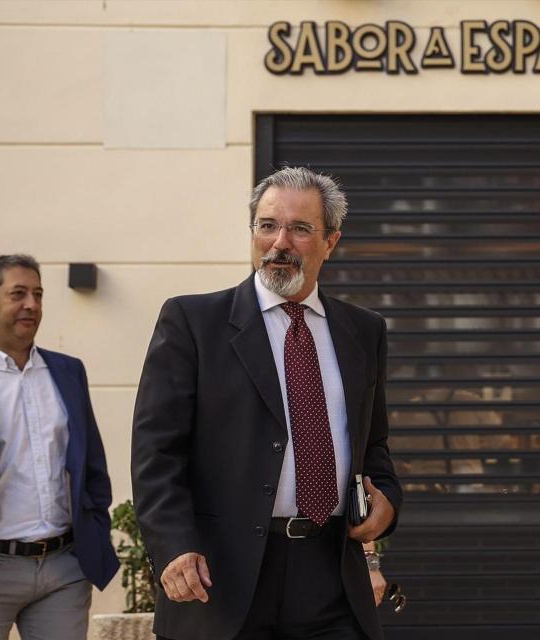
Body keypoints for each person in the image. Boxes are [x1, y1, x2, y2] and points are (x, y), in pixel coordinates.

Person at [132, 167, 402, 640]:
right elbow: (156, 453)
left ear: (331, 242)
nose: (280, 242)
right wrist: (175, 547)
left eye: (300, 229)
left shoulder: (363, 331)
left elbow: (373, 448)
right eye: (267, 225)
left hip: (331, 577)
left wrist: (388, 504)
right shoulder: (194, 322)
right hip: (222, 580)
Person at [0, 254, 118, 640]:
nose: (32, 304)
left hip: (64, 568)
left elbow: (92, 466)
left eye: (38, 294)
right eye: (18, 294)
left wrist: (96, 528)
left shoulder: (68, 372)